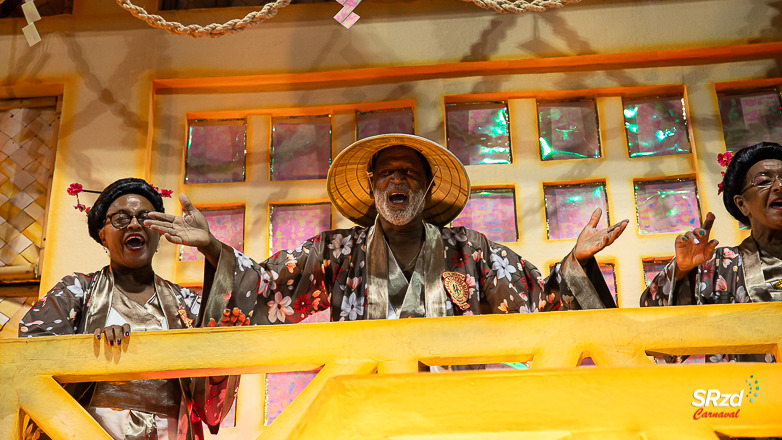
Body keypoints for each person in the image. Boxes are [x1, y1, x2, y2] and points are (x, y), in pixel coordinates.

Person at [147, 134, 627, 326]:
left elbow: (541, 300)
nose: (398, 179)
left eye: (409, 172)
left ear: (427, 186)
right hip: (359, 404)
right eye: (388, 173)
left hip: (456, 410)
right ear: (373, 186)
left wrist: (579, 261)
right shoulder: (334, 252)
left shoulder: (470, 251)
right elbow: (266, 286)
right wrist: (211, 247)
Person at [19, 178, 239, 440]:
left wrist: (210, 246)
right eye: (121, 218)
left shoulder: (186, 303)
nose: (135, 224)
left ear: (158, 232)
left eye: (144, 217)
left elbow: (220, 355)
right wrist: (92, 348)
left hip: (170, 431)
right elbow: (31, 359)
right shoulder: (75, 291)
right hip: (90, 427)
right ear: (103, 234)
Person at [640, 142, 782, 363]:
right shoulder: (719, 266)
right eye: (764, 181)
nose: (779, 186)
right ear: (742, 204)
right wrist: (683, 270)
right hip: (749, 393)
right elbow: (660, 333)